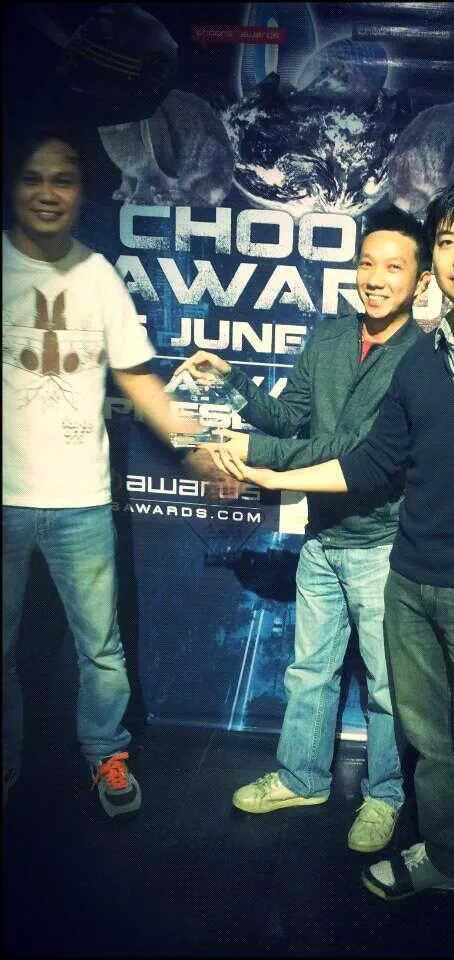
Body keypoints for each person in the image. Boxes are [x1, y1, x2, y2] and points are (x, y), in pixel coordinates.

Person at [207, 180, 454, 958]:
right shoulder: (424, 359)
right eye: (448, 240)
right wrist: (270, 466)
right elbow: (369, 460)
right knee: (432, 747)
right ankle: (444, 861)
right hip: (404, 579)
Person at [174, 206, 431, 853]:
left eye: (393, 266)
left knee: (387, 686)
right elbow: (289, 417)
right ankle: (302, 778)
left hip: (383, 547)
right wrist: (230, 381)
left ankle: (385, 796)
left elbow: (356, 451)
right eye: (367, 263)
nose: (376, 278)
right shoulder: (329, 336)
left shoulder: (422, 358)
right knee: (310, 672)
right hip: (321, 541)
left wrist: (254, 455)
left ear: (421, 281)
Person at [2, 123, 206, 816]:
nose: (47, 193)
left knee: (102, 649)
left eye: (62, 179)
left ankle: (106, 754)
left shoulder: (97, 276)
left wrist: (200, 451)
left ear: (83, 191)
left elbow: (140, 380)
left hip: (82, 503)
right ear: (12, 187)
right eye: (33, 178)